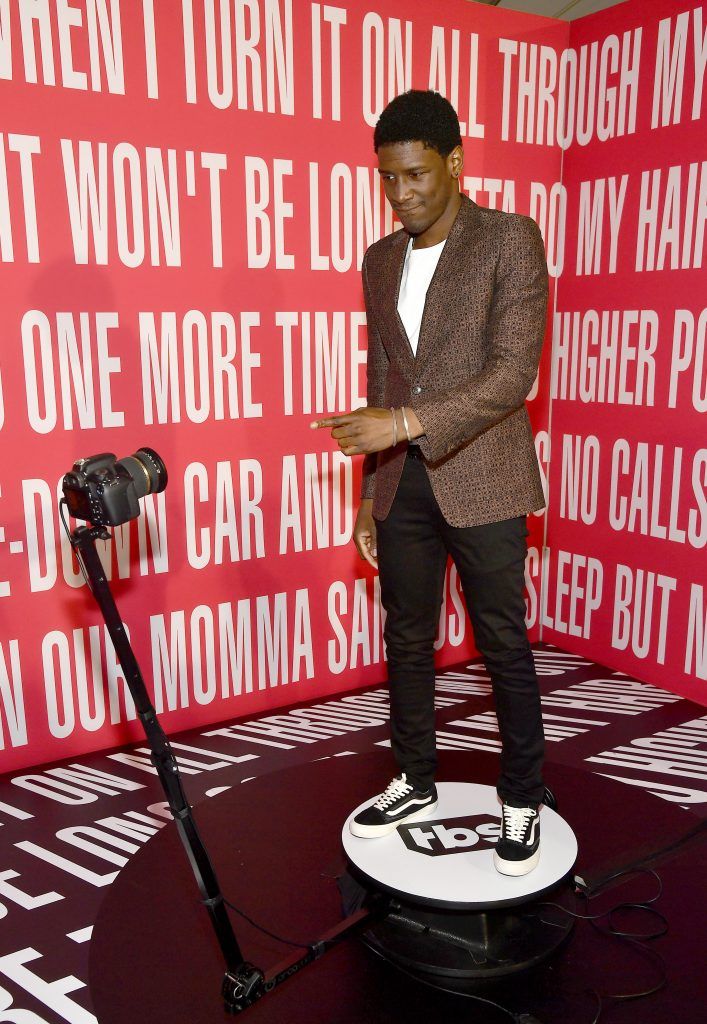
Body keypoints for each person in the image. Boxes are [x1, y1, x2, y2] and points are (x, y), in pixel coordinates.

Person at [312, 90, 548, 876]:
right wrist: (368, 493)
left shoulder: (509, 239)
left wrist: (406, 426)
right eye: (388, 178)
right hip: (402, 484)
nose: (401, 192)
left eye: (415, 174)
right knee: (405, 638)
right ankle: (414, 780)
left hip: (482, 474)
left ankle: (521, 798)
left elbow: (512, 374)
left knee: (501, 642)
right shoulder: (379, 260)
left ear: (452, 162)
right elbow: (384, 375)